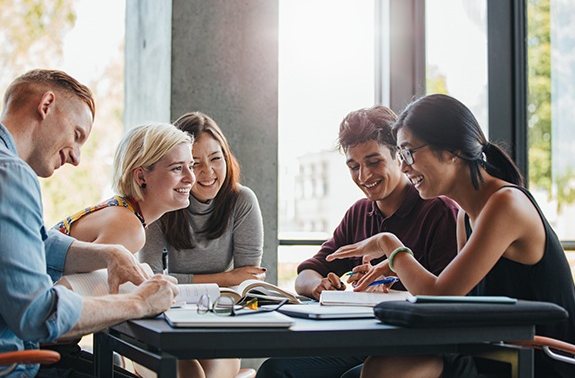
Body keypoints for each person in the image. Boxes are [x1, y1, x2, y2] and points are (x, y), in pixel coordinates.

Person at [326, 94, 575, 378]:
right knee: (372, 370)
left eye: (409, 153)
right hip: (493, 352)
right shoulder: (465, 216)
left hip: (537, 360)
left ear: (451, 151)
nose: (405, 167)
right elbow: (454, 306)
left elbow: (440, 295)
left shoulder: (505, 204)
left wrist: (389, 246)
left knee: (383, 371)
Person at [256, 105, 459, 378]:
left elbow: (448, 300)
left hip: (420, 347)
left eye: (374, 162)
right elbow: (306, 273)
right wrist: (319, 286)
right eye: (354, 166)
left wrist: (389, 288)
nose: (364, 176)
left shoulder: (438, 211)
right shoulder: (359, 213)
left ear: (400, 156)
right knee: (276, 370)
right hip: (366, 342)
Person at [0, 69, 178, 378]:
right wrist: (138, 303)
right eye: (77, 135)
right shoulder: (12, 174)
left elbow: (38, 243)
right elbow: (38, 314)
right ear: (46, 105)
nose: (76, 157)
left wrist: (109, 254)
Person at [140, 111, 265, 378]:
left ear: (226, 157)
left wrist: (232, 281)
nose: (207, 172)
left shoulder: (241, 200)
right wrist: (225, 278)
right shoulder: (160, 202)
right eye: (194, 163)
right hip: (162, 326)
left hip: (216, 325)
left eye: (216, 158)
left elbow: (246, 285)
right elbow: (152, 281)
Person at [53, 122, 195, 254]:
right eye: (177, 168)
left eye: (191, 166)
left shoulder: (124, 212)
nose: (191, 178)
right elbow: (67, 281)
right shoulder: (129, 227)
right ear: (141, 177)